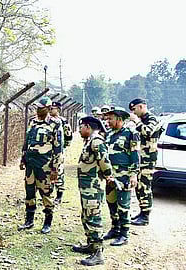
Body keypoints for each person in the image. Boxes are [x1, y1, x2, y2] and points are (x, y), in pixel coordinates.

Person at [18, 96, 63, 234]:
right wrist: (23, 158)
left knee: (46, 193)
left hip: (45, 165)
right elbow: (28, 140)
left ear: (49, 109)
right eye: (37, 107)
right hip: (31, 163)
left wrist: (55, 168)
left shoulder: (55, 124)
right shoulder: (33, 122)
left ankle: (47, 222)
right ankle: (29, 220)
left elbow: (58, 147)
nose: (38, 110)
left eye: (41, 108)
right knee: (29, 192)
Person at [72, 116, 113, 266]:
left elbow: (104, 161)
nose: (79, 130)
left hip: (93, 186)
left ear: (88, 127)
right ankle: (91, 244)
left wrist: (109, 176)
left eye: (81, 127)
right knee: (86, 215)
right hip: (87, 186)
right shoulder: (90, 141)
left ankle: (98, 253)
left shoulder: (96, 141)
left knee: (93, 217)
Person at [103, 108, 140, 246]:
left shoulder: (131, 133)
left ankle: (124, 235)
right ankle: (115, 228)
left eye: (110, 119)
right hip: (110, 176)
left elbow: (135, 155)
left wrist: (133, 174)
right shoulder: (109, 134)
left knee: (123, 205)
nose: (108, 121)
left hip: (124, 175)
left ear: (119, 119)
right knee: (111, 202)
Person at [128, 98, 159, 226]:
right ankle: (142, 211)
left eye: (134, 109)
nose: (134, 113)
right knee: (139, 186)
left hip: (148, 159)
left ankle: (146, 216)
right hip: (140, 158)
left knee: (145, 186)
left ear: (141, 106)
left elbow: (148, 132)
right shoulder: (142, 120)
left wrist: (136, 122)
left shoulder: (152, 119)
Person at [50, 101, 73, 204]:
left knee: (58, 171)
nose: (50, 110)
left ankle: (59, 195)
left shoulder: (62, 121)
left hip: (58, 150)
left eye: (52, 108)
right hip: (47, 150)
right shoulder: (47, 120)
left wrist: (64, 146)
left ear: (58, 110)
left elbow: (68, 135)